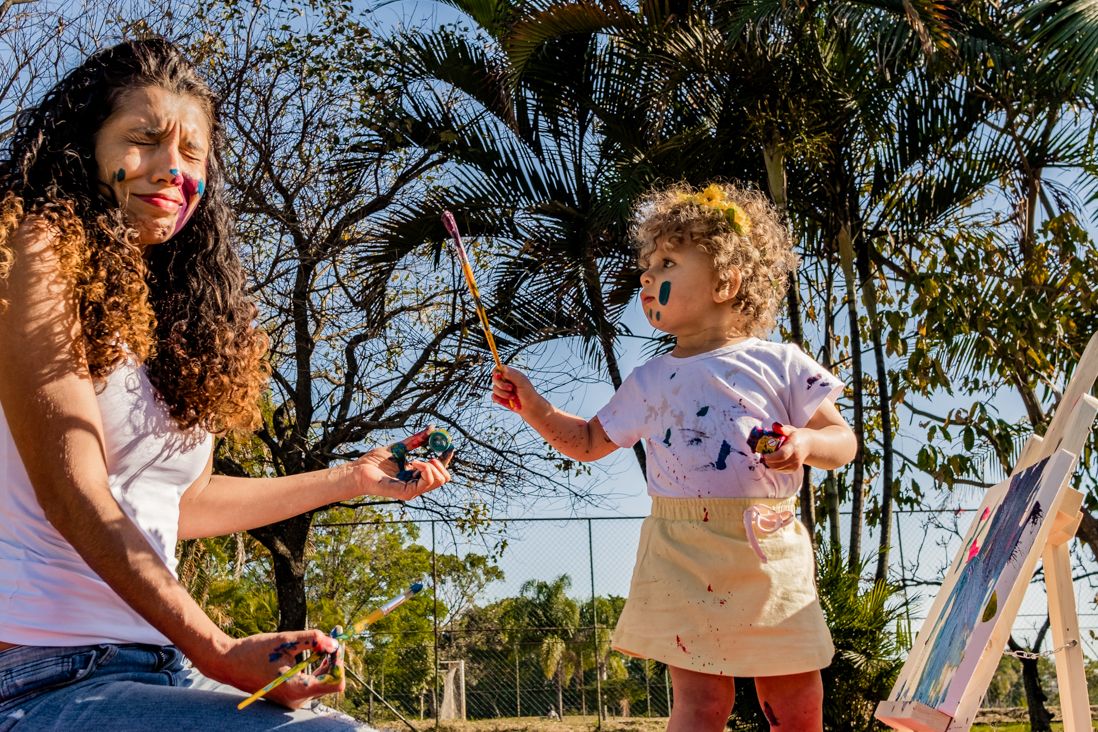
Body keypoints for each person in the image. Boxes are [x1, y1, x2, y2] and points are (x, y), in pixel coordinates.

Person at [0, 39, 453, 730]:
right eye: (144, 140)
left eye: (192, 153)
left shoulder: (178, 314)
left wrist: (351, 479)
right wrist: (216, 647)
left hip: (157, 668)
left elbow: (184, 505)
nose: (170, 170)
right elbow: (74, 489)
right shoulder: (32, 250)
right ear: (83, 150)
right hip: (41, 679)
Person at [492, 182, 858, 731]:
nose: (646, 277)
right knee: (701, 703)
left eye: (666, 262)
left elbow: (843, 443)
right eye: (645, 267)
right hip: (681, 552)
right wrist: (535, 408)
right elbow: (590, 443)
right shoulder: (649, 380)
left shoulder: (782, 362)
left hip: (769, 549)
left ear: (725, 281)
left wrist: (806, 443)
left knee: (795, 699)